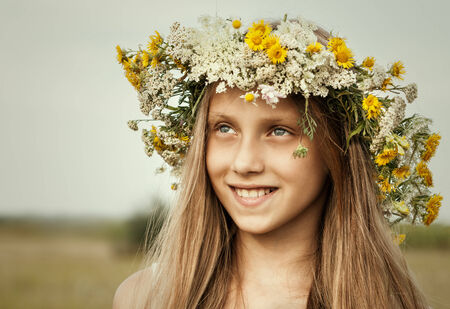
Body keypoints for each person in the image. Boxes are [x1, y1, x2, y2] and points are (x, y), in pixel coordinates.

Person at [113, 15, 441, 309]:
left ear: (336, 148)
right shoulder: (145, 299)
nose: (244, 163)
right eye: (224, 128)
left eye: (279, 131)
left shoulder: (386, 302)